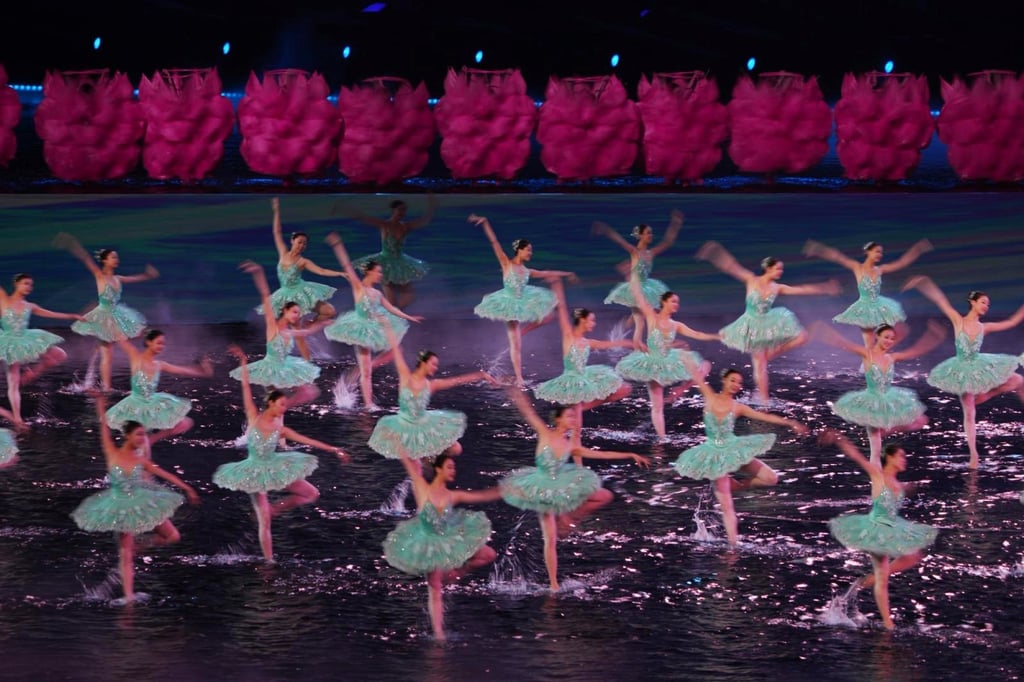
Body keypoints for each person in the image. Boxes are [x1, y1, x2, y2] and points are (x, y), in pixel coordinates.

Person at [500, 387, 649, 591]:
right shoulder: (546, 434)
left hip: (561, 486)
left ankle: (568, 517)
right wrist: (515, 393)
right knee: (550, 539)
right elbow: (529, 413)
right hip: (543, 488)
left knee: (603, 495)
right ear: (558, 419)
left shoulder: (569, 444)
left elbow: (600, 454)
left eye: (573, 416)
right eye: (569, 416)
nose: (573, 419)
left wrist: (629, 455)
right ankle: (553, 584)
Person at [214, 346, 350, 562]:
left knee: (311, 494)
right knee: (264, 521)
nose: (285, 408)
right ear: (270, 403)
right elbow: (246, 388)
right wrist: (242, 360)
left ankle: (275, 509)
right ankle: (269, 561)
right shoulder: (254, 417)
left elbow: (306, 440)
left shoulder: (279, 426)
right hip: (254, 471)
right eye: (282, 404)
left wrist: (334, 449)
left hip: (274, 466)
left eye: (286, 404)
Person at [71, 392, 200, 603]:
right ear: (128, 436)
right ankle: (128, 596)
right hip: (120, 506)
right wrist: (100, 403)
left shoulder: (141, 459)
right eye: (139, 435)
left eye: (143, 435)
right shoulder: (112, 453)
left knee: (172, 536)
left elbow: (164, 474)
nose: (143, 439)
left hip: (141, 501)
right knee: (126, 554)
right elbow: (103, 428)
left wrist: (188, 488)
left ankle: (141, 545)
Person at [673, 361, 807, 547]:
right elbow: (696, 376)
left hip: (734, 449)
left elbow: (765, 417)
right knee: (728, 507)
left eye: (739, 382)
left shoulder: (738, 407)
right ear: (724, 381)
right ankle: (733, 546)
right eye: (733, 380)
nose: (736, 385)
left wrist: (790, 422)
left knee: (771, 478)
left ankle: (736, 486)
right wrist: (696, 364)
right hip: (714, 455)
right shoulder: (709, 397)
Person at [821, 430, 937, 631]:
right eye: (900, 456)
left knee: (912, 557)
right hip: (876, 530)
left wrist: (915, 486)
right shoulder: (878, 475)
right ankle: (887, 623)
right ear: (889, 457)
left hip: (891, 529)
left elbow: (899, 492)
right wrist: (839, 439)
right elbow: (856, 455)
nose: (904, 460)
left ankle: (861, 585)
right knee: (884, 576)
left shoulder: (897, 484)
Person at [902, 276, 1024, 468]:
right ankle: (973, 456)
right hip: (962, 370)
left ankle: (985, 395)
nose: (986, 306)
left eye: (988, 304)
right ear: (972, 303)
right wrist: (923, 283)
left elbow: (1012, 321)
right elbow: (940, 300)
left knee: (1018, 380)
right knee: (969, 412)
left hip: (980, 366)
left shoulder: (985, 327)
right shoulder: (958, 321)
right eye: (983, 302)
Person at [696, 241, 840, 402]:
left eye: (781, 269)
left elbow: (802, 289)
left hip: (769, 321)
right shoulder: (751, 279)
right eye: (778, 268)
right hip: (751, 324)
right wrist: (714, 253)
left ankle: (771, 355)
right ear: (768, 268)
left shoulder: (776, 287)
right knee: (759, 363)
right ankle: (763, 398)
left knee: (802, 336)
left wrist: (824, 288)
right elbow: (732, 266)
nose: (780, 272)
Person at [383, 448, 501, 642]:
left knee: (488, 554)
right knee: (435, 588)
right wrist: (402, 441)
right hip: (428, 543)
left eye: (454, 467)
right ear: (438, 469)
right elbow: (410, 464)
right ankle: (438, 633)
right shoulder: (423, 488)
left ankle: (454, 574)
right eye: (450, 467)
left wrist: (505, 490)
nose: (454, 471)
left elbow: (482, 496)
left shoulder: (452, 495)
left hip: (447, 539)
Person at [811, 320, 945, 464]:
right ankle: (877, 478)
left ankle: (885, 432)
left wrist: (933, 338)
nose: (889, 341)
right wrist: (822, 330)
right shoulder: (867, 354)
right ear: (877, 337)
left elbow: (916, 351)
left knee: (920, 420)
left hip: (889, 398)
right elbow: (842, 343)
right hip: (872, 402)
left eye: (892, 339)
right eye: (886, 337)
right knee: (875, 449)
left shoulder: (891, 357)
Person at [323, 232, 424, 411]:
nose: (380, 275)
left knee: (394, 351)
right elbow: (347, 265)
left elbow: (391, 309)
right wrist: (337, 245)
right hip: (361, 329)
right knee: (367, 370)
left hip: (375, 328)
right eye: (378, 272)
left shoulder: (377, 293)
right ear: (369, 271)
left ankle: (360, 387)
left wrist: (409, 317)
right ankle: (368, 403)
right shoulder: (359, 287)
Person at [470, 214, 575, 386]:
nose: (530, 252)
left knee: (549, 316)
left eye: (531, 250)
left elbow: (547, 273)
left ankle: (524, 332)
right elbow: (494, 243)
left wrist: (568, 273)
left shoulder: (527, 271)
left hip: (523, 300)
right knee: (515, 343)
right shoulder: (507, 264)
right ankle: (519, 377)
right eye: (528, 249)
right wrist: (485, 223)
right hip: (508, 304)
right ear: (520, 249)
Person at [368, 321, 496, 461]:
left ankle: (430, 457)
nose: (435, 368)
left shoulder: (432, 384)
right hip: (404, 424)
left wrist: (481, 375)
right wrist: (387, 327)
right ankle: (425, 459)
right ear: (424, 363)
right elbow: (396, 351)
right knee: (413, 458)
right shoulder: (406, 377)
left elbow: (457, 380)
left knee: (456, 449)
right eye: (433, 364)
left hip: (424, 423)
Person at [615, 277, 720, 438]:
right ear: (664, 302)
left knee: (704, 366)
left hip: (669, 360)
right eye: (673, 301)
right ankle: (662, 438)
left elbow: (697, 334)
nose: (676, 305)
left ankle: (679, 390)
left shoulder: (676, 325)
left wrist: (716, 336)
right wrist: (634, 280)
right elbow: (640, 299)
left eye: (677, 302)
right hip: (652, 363)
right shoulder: (652, 317)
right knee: (657, 406)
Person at [534, 278, 632, 447]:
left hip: (585, 376)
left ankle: (577, 414)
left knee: (624, 389)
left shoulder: (587, 341)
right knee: (576, 427)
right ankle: (562, 448)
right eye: (592, 320)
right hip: (572, 380)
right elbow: (562, 308)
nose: (594, 324)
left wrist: (628, 343)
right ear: (583, 321)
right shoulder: (568, 336)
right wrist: (556, 285)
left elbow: (606, 344)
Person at [54, 232, 159, 392]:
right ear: (104, 260)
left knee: (109, 352)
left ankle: (107, 386)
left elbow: (135, 278)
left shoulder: (118, 278)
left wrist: (148, 275)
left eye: (117, 257)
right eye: (113, 257)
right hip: (104, 316)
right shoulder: (99, 275)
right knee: (111, 352)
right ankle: (111, 386)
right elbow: (85, 258)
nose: (116, 260)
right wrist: (71, 243)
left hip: (116, 314)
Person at [229, 262, 332, 409]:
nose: (297, 316)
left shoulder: (289, 331)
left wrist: (324, 323)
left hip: (285, 366)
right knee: (305, 392)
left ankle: (278, 410)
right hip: (272, 368)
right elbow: (265, 295)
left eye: (299, 313)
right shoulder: (273, 326)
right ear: (285, 311)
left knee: (310, 392)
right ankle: (273, 411)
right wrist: (258, 272)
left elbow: (307, 332)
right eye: (294, 312)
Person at [260, 198, 348, 361]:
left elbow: (321, 271)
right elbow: (277, 232)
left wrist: (340, 273)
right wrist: (276, 210)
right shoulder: (283, 253)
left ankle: (308, 348)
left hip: (300, 294)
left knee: (328, 311)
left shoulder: (303, 261)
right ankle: (276, 359)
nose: (301, 246)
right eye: (299, 242)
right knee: (280, 329)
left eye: (304, 244)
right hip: (284, 296)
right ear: (293, 241)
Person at [803, 239, 933, 346]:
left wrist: (918, 249)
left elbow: (902, 262)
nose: (879, 255)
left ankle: (878, 360)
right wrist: (818, 249)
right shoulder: (857, 267)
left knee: (900, 330)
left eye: (881, 253)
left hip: (881, 306)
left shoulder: (880, 269)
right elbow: (838, 257)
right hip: (864, 308)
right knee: (869, 342)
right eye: (877, 251)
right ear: (868, 252)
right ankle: (868, 366)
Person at [0, 273, 84, 426]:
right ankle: (18, 418)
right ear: (16, 284)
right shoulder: (3, 299)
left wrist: (72, 315)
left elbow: (51, 314)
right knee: (13, 382)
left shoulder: (29, 306)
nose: (29, 287)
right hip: (8, 342)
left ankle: (32, 373)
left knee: (60, 354)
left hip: (25, 338)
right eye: (25, 283)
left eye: (30, 285)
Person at [105, 330, 214, 446]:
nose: (161, 346)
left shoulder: (160, 365)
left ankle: (151, 441)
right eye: (159, 343)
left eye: (163, 344)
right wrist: (136, 335)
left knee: (185, 423)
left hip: (153, 402)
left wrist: (204, 371)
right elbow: (117, 336)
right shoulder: (136, 357)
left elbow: (184, 370)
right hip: (135, 404)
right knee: (135, 437)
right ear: (149, 342)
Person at [594, 209, 684, 347]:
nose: (650, 235)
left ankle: (620, 335)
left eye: (651, 233)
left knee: (639, 321)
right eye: (648, 233)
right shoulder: (635, 252)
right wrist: (606, 230)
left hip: (646, 287)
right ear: (640, 235)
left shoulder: (651, 253)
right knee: (647, 316)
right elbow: (621, 241)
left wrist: (675, 224)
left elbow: (668, 242)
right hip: (636, 289)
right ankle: (653, 343)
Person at [348, 194, 439, 308]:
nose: (403, 212)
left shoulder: (406, 226)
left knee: (409, 297)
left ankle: (394, 316)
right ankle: (390, 316)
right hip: (385, 263)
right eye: (400, 209)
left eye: (404, 210)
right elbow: (364, 219)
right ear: (393, 210)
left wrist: (432, 206)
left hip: (401, 263)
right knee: (391, 300)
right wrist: (347, 208)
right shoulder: (385, 225)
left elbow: (424, 221)